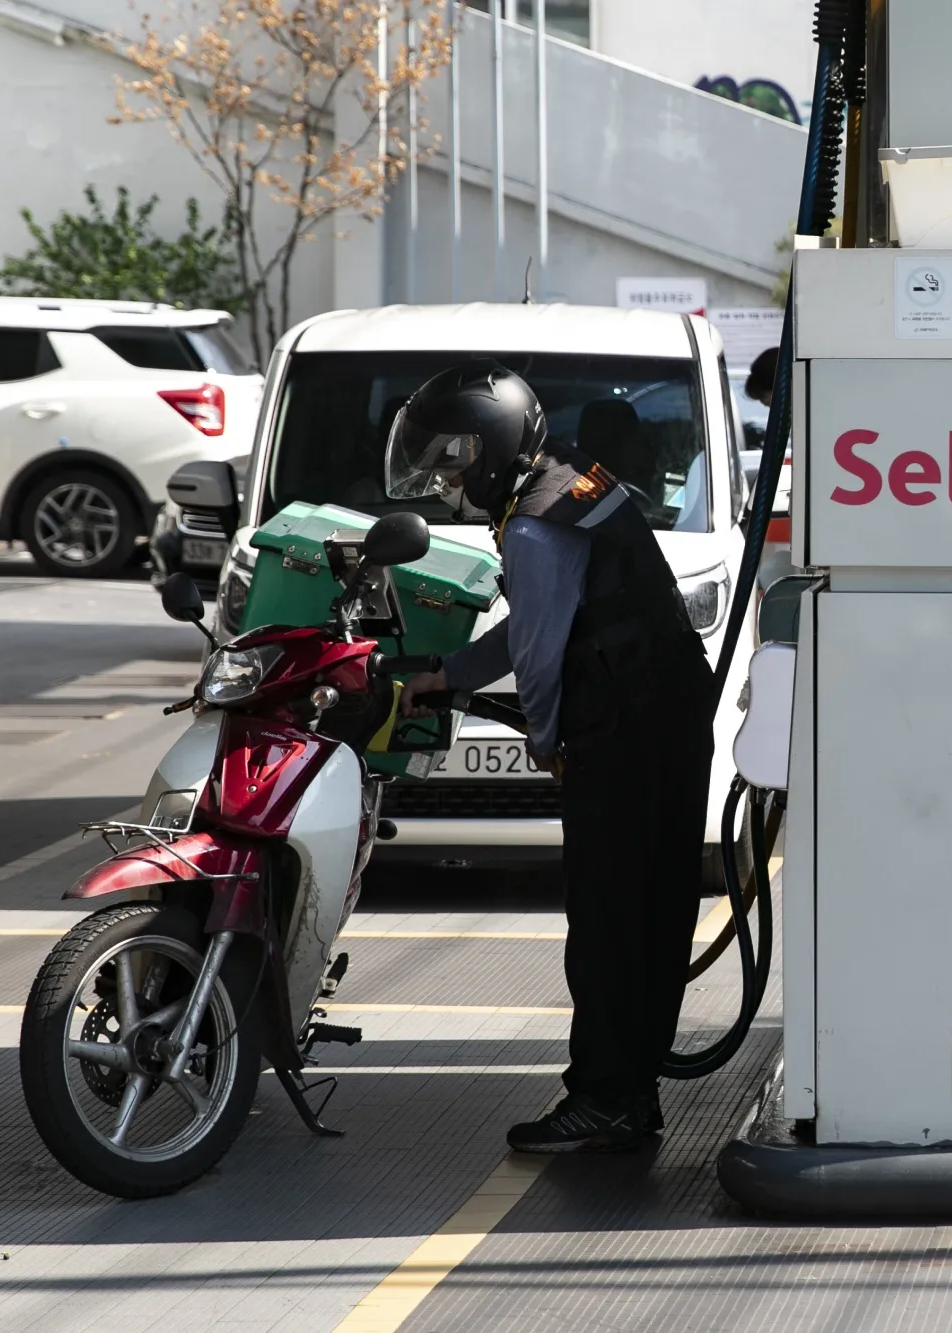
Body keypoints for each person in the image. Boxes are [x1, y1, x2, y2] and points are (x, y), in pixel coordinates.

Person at [387, 361, 714, 1151]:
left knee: (606, 923)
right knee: (649, 913)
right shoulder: (567, 483)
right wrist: (452, 675)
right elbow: (545, 621)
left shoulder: (533, 523)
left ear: (492, 447)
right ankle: (628, 1091)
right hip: (667, 713)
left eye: (452, 457)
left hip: (628, 731)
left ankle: (606, 1096)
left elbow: (537, 656)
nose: (443, 477)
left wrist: (547, 742)